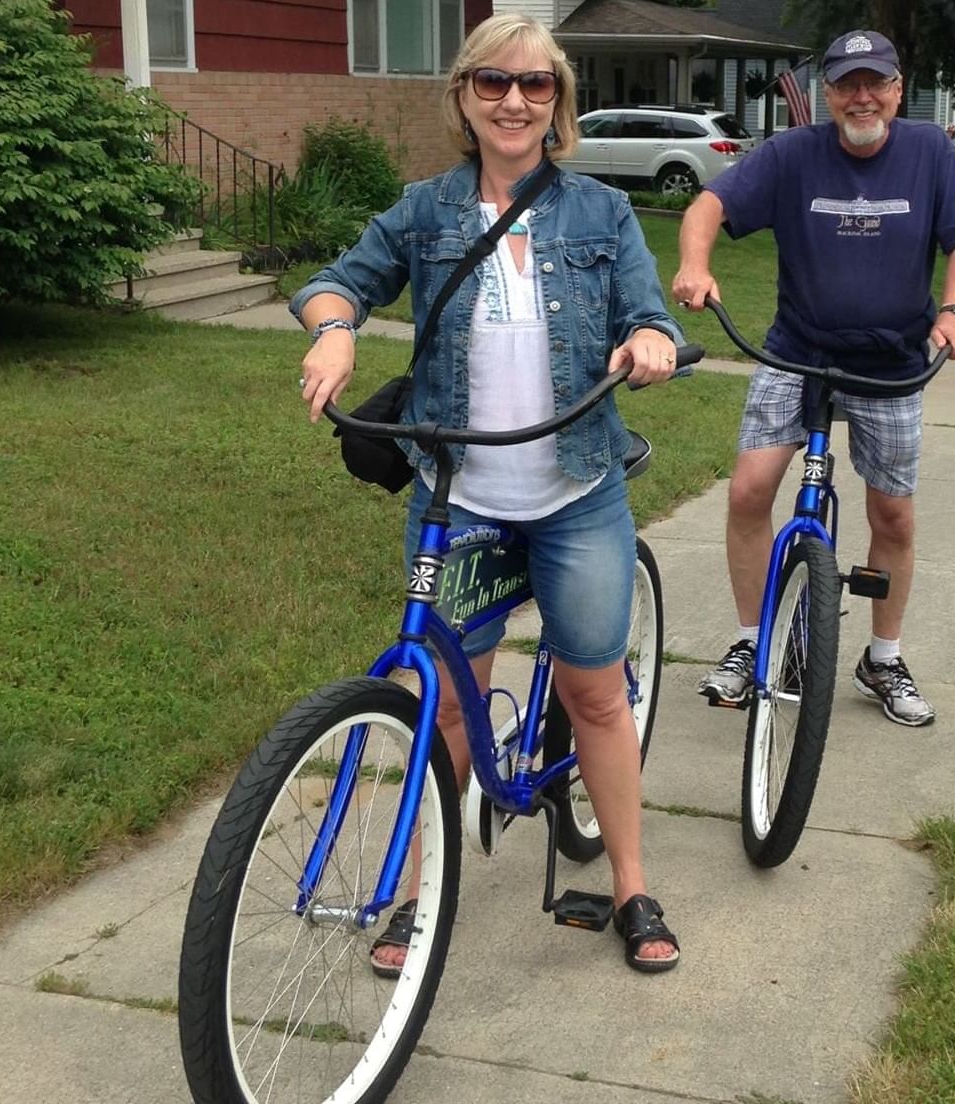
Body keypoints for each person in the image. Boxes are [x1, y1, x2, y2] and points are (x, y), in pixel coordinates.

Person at [291, 14, 683, 974]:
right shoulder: (425, 212)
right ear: (464, 98)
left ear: (559, 103)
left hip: (573, 491)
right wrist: (336, 325)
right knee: (446, 702)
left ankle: (631, 883)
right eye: (493, 83)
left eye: (536, 85)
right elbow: (337, 280)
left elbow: (646, 310)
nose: (515, 101)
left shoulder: (601, 212)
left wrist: (651, 344)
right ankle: (418, 894)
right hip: (458, 495)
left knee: (594, 693)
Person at [671, 29, 955, 728]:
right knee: (751, 490)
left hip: (892, 361)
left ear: (898, 89)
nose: (862, 96)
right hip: (799, 352)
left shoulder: (929, 152)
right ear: (828, 93)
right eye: (847, 83)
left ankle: (882, 656)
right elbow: (708, 206)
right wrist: (696, 264)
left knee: (893, 515)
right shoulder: (793, 154)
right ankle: (752, 643)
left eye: (875, 81)